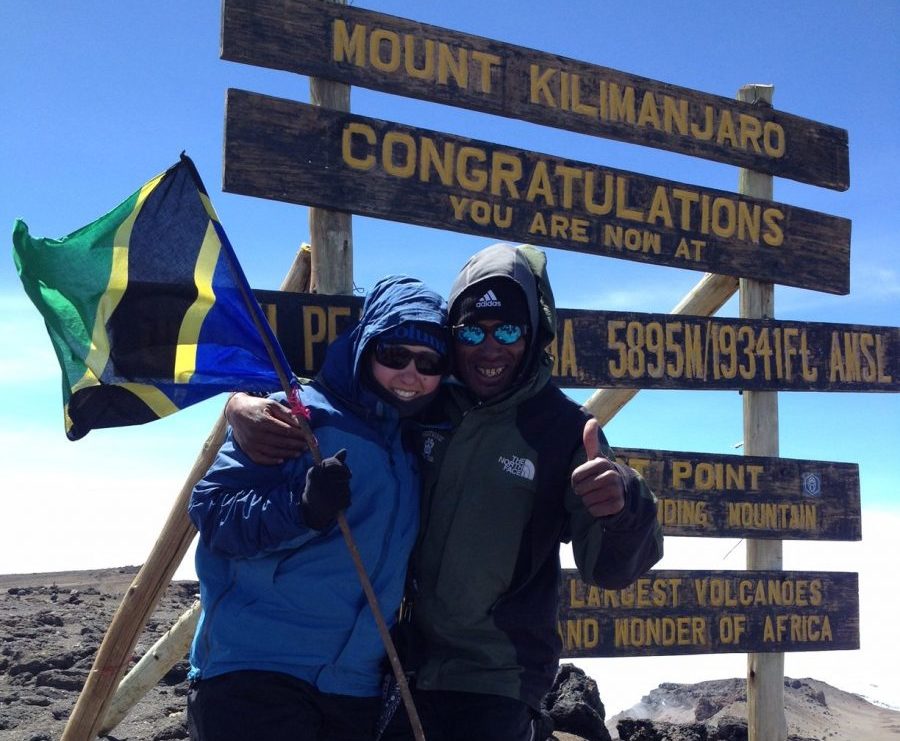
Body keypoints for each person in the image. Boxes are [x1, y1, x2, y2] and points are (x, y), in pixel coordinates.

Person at [226, 244, 663, 740]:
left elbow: (610, 570)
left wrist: (625, 508)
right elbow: (346, 398)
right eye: (473, 330)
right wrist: (241, 403)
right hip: (395, 665)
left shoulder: (564, 431)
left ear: (536, 335)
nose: (490, 347)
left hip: (494, 679)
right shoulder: (428, 399)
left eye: (510, 330)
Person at [186, 275, 449, 741]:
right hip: (258, 672)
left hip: (354, 685)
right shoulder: (297, 414)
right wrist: (302, 510)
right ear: (367, 346)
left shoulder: (413, 442)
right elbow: (212, 511)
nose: (411, 374)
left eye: (428, 362)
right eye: (394, 355)